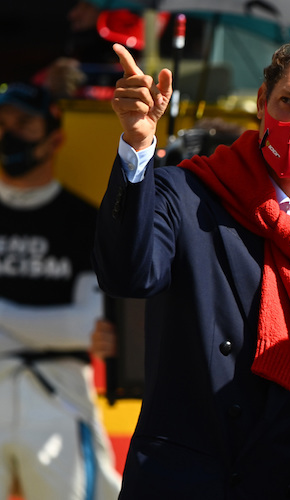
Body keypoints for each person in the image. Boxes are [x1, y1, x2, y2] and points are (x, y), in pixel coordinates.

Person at [92, 25, 290, 499]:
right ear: (261, 102)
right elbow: (128, 275)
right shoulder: (186, 191)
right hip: (172, 484)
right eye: (287, 103)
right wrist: (137, 148)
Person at [0, 83, 121, 499]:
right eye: (1, 124)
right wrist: (45, 325)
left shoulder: (84, 221)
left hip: (59, 393)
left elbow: (86, 325)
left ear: (55, 136)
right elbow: (71, 324)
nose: (8, 134)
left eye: (23, 123)